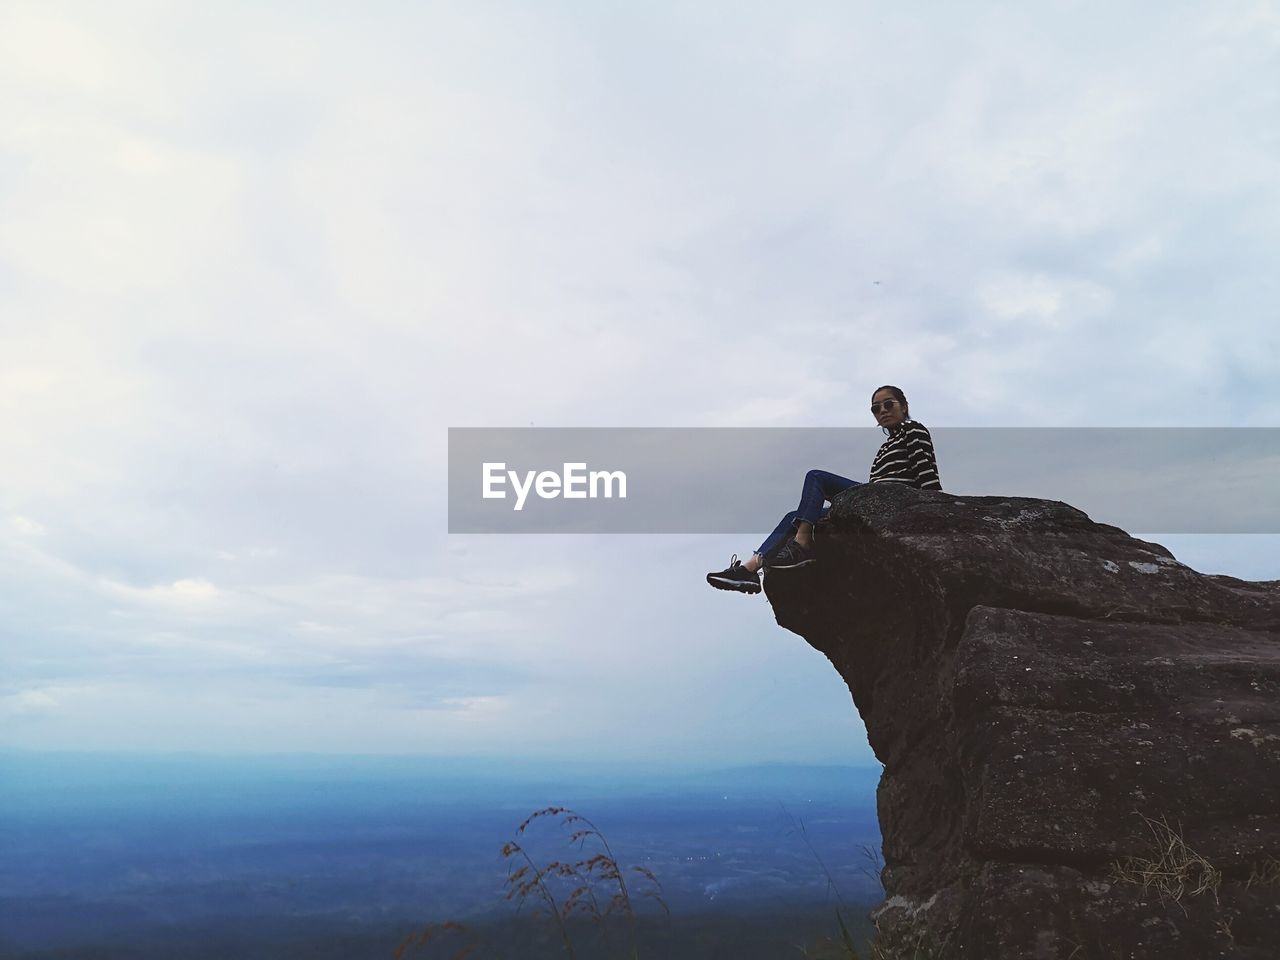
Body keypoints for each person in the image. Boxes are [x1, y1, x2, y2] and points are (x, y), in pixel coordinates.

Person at [706, 385, 942, 595]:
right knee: (793, 517)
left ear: (904, 406)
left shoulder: (914, 430)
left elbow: (926, 471)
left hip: (892, 500)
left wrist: (937, 509)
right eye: (875, 408)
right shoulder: (886, 446)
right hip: (874, 500)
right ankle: (750, 569)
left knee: (816, 477)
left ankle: (802, 544)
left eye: (888, 404)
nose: (882, 411)